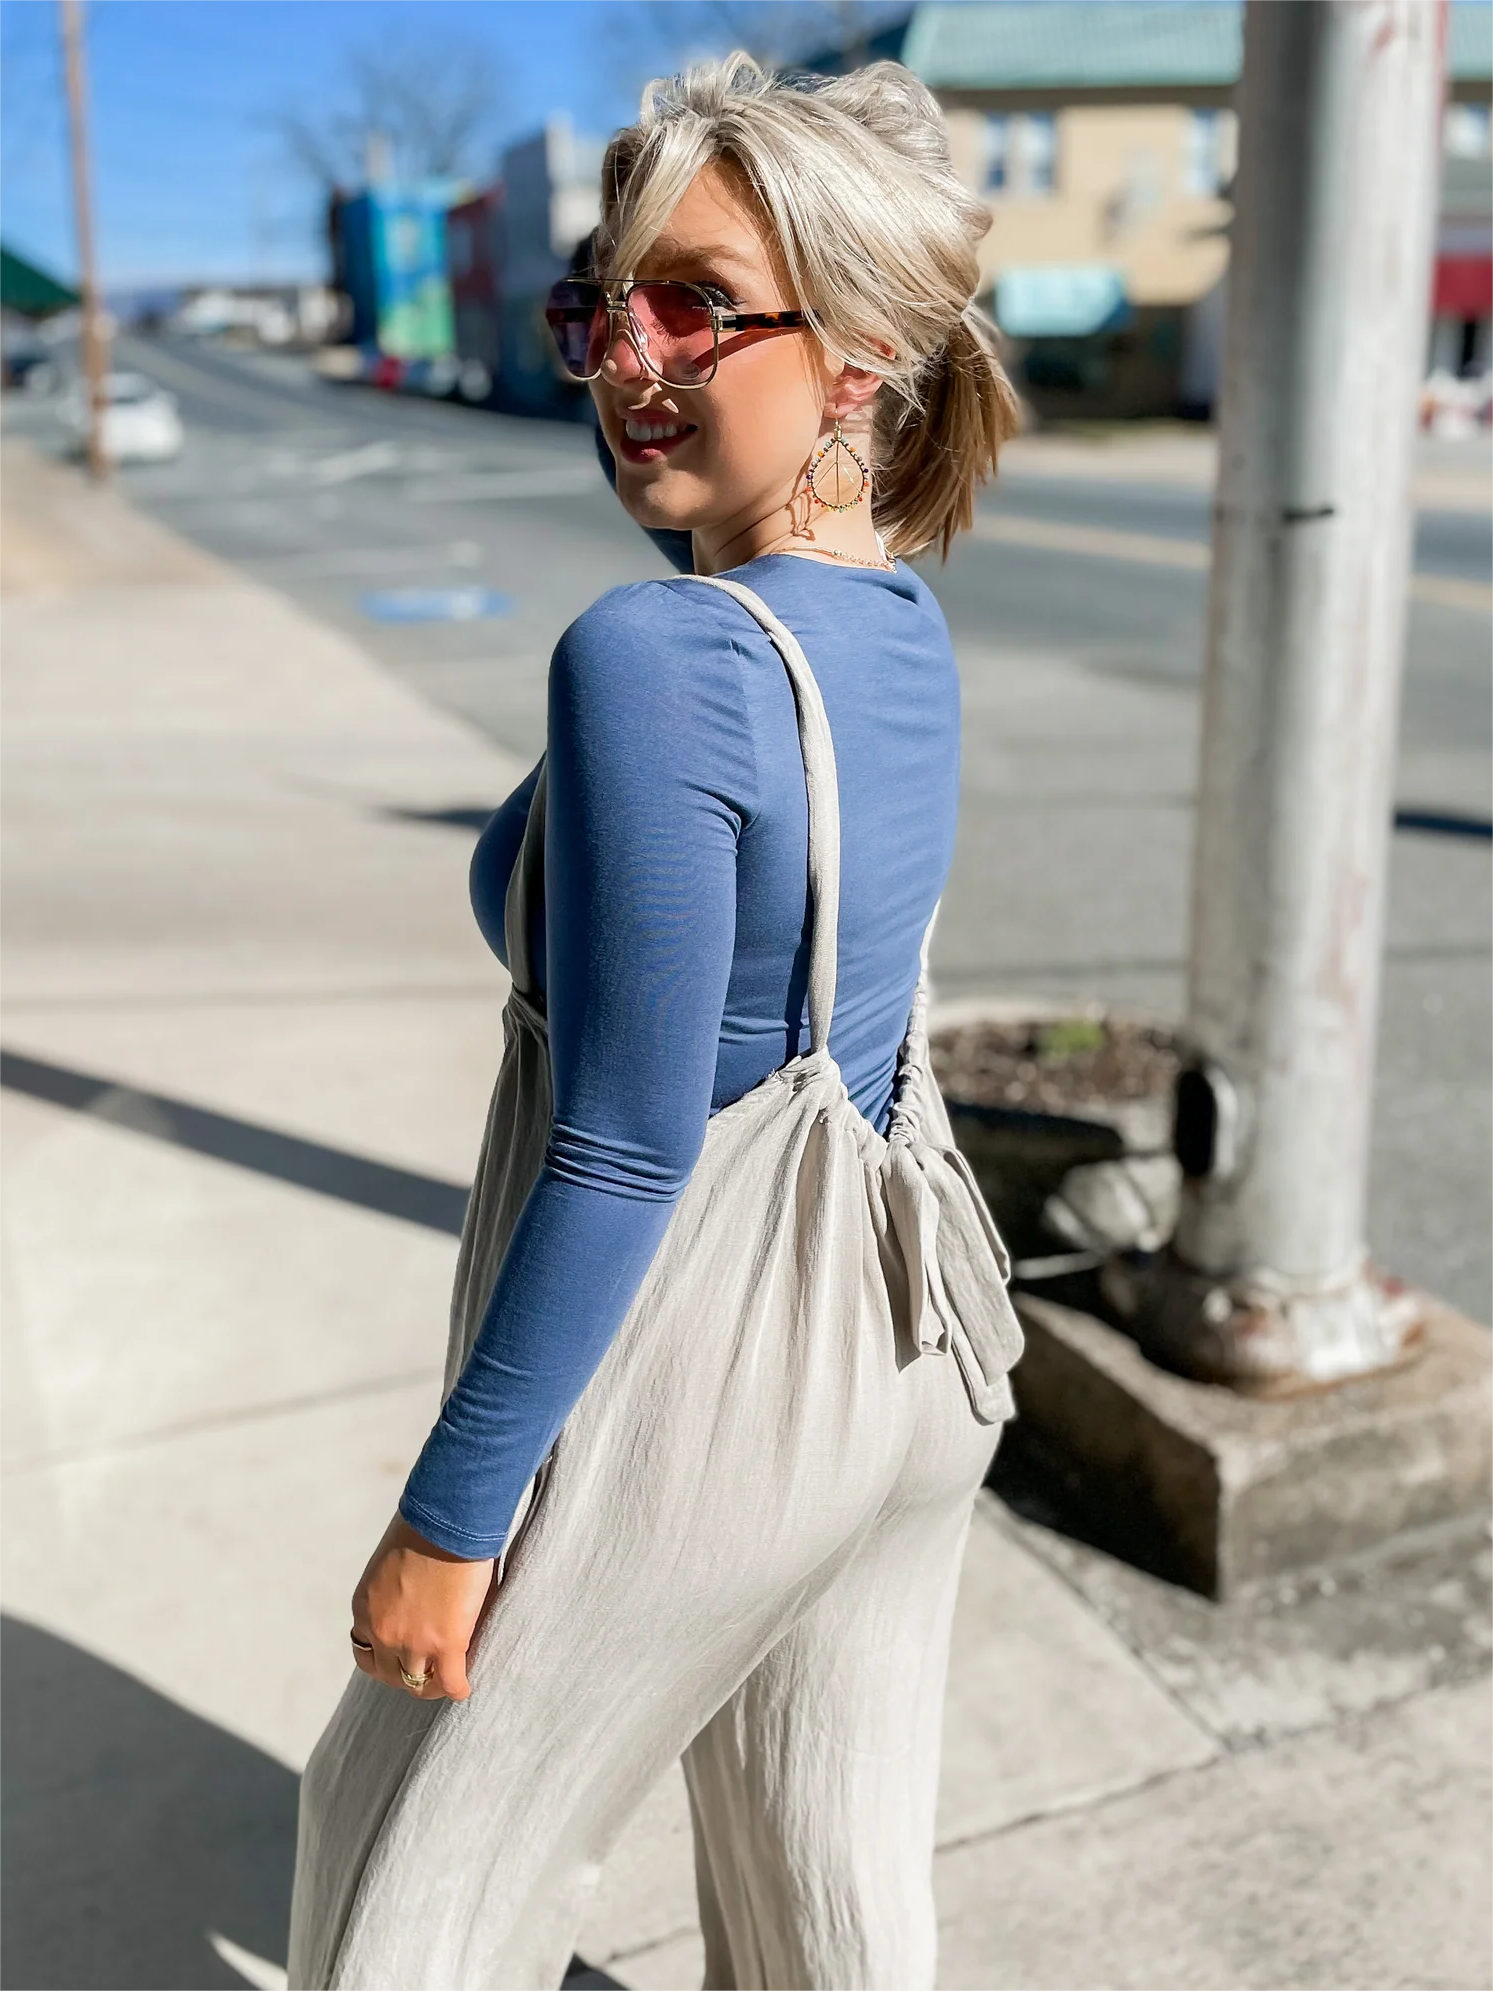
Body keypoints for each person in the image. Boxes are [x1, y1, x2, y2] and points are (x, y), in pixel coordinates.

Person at [290, 53, 1024, 1991]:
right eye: (602, 304)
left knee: (399, 1879)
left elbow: (624, 1146)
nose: (627, 357)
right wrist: (704, 522)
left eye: (697, 304)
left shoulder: (659, 658)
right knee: (824, 1895)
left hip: (701, 1383)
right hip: (910, 1343)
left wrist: (451, 1517)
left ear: (857, 357)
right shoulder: (889, 619)